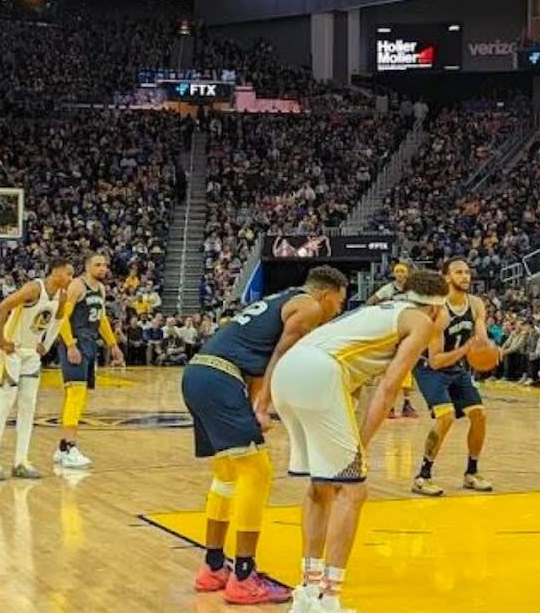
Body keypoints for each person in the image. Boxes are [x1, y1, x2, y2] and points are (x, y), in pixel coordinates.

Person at [270, 268, 446, 613]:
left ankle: (307, 591)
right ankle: (330, 599)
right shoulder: (422, 322)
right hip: (320, 371)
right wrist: (361, 443)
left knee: (322, 484)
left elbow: (355, 377)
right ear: (436, 309)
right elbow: (388, 388)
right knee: (353, 489)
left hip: (288, 372)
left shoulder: (377, 310)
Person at [182, 266, 349, 605]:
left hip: (200, 374)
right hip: (221, 379)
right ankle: (244, 576)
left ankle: (213, 567)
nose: (338, 310)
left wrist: (257, 406)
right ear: (326, 294)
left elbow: (258, 365)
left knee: (227, 475)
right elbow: (280, 356)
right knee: (257, 472)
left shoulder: (280, 300)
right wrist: (264, 406)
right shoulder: (309, 307)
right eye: (339, 302)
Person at [0, 258, 74, 480]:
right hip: (12, 351)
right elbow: (0, 309)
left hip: (32, 353)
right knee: (5, 404)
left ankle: (21, 461)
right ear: (55, 272)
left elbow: (59, 320)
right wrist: (1, 341)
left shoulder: (61, 296)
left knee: (28, 406)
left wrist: (47, 344)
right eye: (68, 274)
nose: (71, 279)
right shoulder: (34, 288)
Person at [411, 258, 494, 496]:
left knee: (479, 415)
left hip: (456, 366)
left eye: (467, 272)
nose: (465, 276)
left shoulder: (476, 304)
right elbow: (435, 360)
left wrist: (487, 350)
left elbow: (480, 338)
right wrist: (466, 349)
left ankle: (472, 473)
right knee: (445, 416)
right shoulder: (438, 310)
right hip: (429, 368)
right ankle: (422, 477)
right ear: (446, 277)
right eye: (459, 272)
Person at [53, 253, 123, 469]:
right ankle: (70, 448)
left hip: (90, 343)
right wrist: (70, 345)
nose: (103, 268)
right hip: (75, 343)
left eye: (105, 265)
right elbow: (62, 317)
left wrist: (113, 345)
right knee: (75, 395)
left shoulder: (100, 288)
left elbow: (101, 319)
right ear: (87, 267)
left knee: (79, 397)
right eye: (98, 265)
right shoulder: (77, 286)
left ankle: (62, 447)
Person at [368, 261, 419, 418]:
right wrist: (381, 310)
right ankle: (389, 406)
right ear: (394, 274)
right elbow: (370, 302)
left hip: (408, 330)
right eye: (397, 271)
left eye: (402, 271)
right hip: (392, 330)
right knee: (391, 367)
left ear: (407, 273)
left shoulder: (413, 290)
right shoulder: (388, 289)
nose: (400, 274)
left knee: (407, 367)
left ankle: (406, 404)